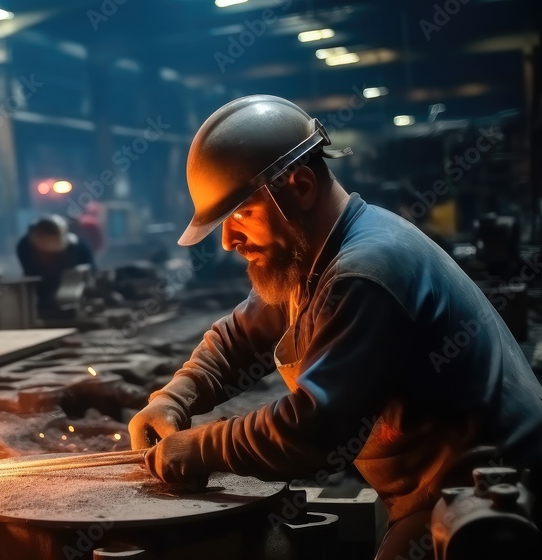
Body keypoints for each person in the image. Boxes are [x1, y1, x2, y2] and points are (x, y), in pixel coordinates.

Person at [128, 95, 542, 558]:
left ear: (301, 186)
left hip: (487, 499)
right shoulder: (313, 256)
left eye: (241, 213)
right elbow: (239, 336)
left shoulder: (363, 272)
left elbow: (315, 430)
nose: (228, 240)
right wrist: (175, 396)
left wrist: (200, 447)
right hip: (430, 491)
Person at [16, 215, 95, 318]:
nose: (47, 258)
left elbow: (91, 279)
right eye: (42, 254)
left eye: (53, 256)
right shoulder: (24, 247)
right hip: (40, 304)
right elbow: (30, 278)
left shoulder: (80, 249)